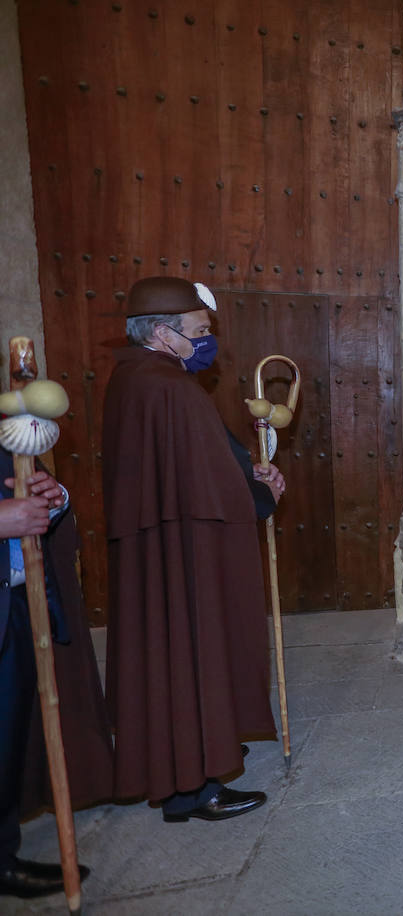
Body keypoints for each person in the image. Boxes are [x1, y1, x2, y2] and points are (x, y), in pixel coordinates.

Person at [102, 277, 286, 822]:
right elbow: (209, 485)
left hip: (161, 545)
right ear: (164, 333)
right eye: (200, 332)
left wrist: (242, 467)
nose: (208, 343)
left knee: (174, 656)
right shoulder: (171, 388)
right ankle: (194, 784)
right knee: (192, 648)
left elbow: (194, 464)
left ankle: (198, 749)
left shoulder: (135, 378)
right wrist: (262, 491)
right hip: (185, 550)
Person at [2, 459, 109, 900]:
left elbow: (26, 481)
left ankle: (2, 858)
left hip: (13, 604)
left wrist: (53, 497)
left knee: (6, 740)